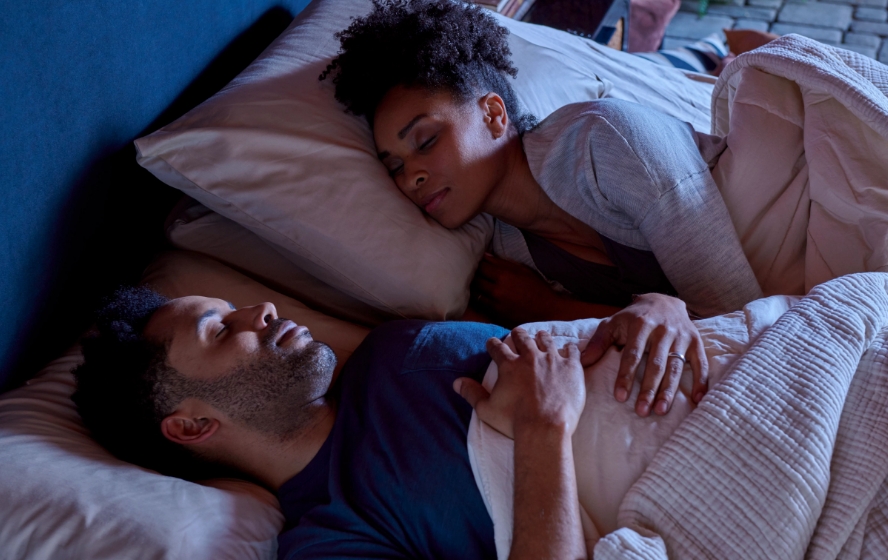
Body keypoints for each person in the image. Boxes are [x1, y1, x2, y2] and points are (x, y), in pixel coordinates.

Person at [320, 0, 765, 415]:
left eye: (426, 141)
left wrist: (545, 306)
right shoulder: (505, 256)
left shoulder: (605, 141)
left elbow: (743, 325)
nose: (410, 177)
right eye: (394, 166)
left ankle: (722, 52)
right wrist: (543, 302)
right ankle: (710, 52)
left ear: (494, 115)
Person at [73, 286, 591, 559]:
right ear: (191, 426)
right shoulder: (333, 540)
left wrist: (662, 311)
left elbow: (573, 349)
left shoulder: (394, 346)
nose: (263, 311)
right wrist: (546, 429)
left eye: (235, 307)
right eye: (222, 329)